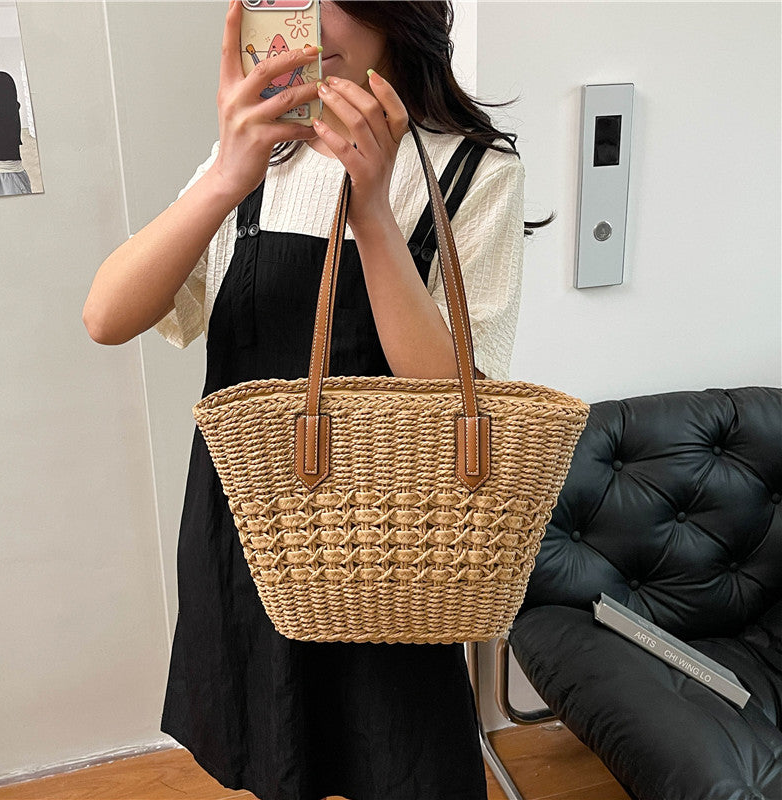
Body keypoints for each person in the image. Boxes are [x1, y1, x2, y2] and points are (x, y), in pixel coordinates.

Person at [84, 2, 550, 798]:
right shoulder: (258, 154)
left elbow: (457, 407)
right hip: (255, 533)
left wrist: (373, 212)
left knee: (402, 764)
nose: (296, 21)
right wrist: (229, 173)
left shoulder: (475, 171)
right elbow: (106, 316)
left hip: (391, 550)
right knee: (278, 757)